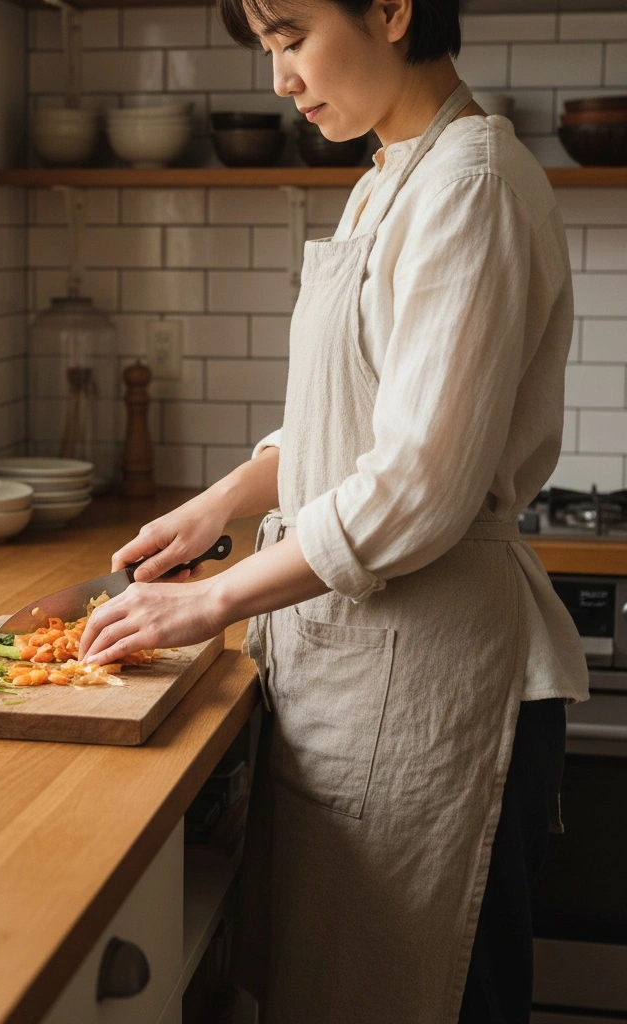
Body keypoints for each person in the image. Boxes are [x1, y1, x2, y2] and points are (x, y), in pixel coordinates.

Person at [77, 1, 590, 1021]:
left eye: (291, 37)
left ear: (392, 10)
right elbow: (347, 422)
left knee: (429, 993)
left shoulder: (469, 184)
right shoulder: (388, 179)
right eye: (270, 47)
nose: (279, 80)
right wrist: (223, 500)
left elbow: (414, 487)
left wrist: (208, 602)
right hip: (363, 680)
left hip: (435, 682)